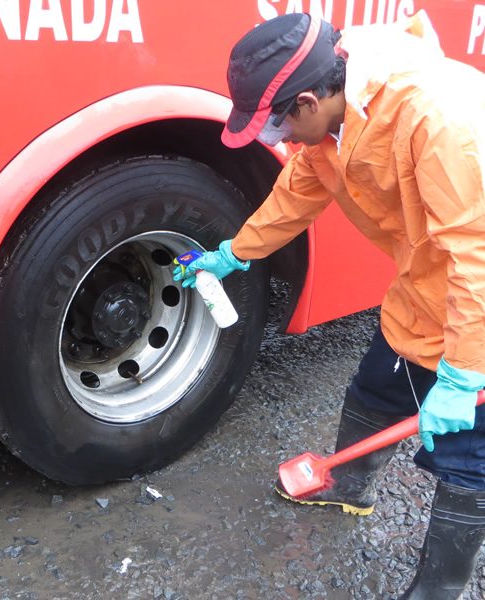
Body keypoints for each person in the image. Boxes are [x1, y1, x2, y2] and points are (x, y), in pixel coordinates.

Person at [173, 11, 485, 600]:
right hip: (428, 279)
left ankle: (439, 589)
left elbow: (476, 252)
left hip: (480, 289)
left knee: (469, 458)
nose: (281, 141)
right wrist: (233, 254)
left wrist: (466, 371)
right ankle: (348, 484)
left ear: (310, 100)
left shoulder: (435, 119)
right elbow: (300, 191)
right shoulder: (339, 121)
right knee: (378, 386)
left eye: (280, 127)